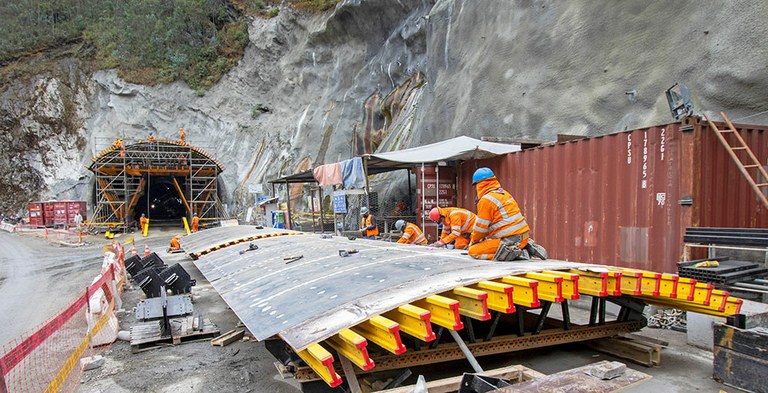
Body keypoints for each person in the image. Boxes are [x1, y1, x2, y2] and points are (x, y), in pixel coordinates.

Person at [468, 167, 548, 261]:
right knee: (490, 242)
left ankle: (516, 255)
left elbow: (480, 229)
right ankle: (523, 247)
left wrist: (473, 241)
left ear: (478, 184)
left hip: (511, 240)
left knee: (473, 251)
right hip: (524, 237)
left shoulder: (486, 200)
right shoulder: (504, 194)